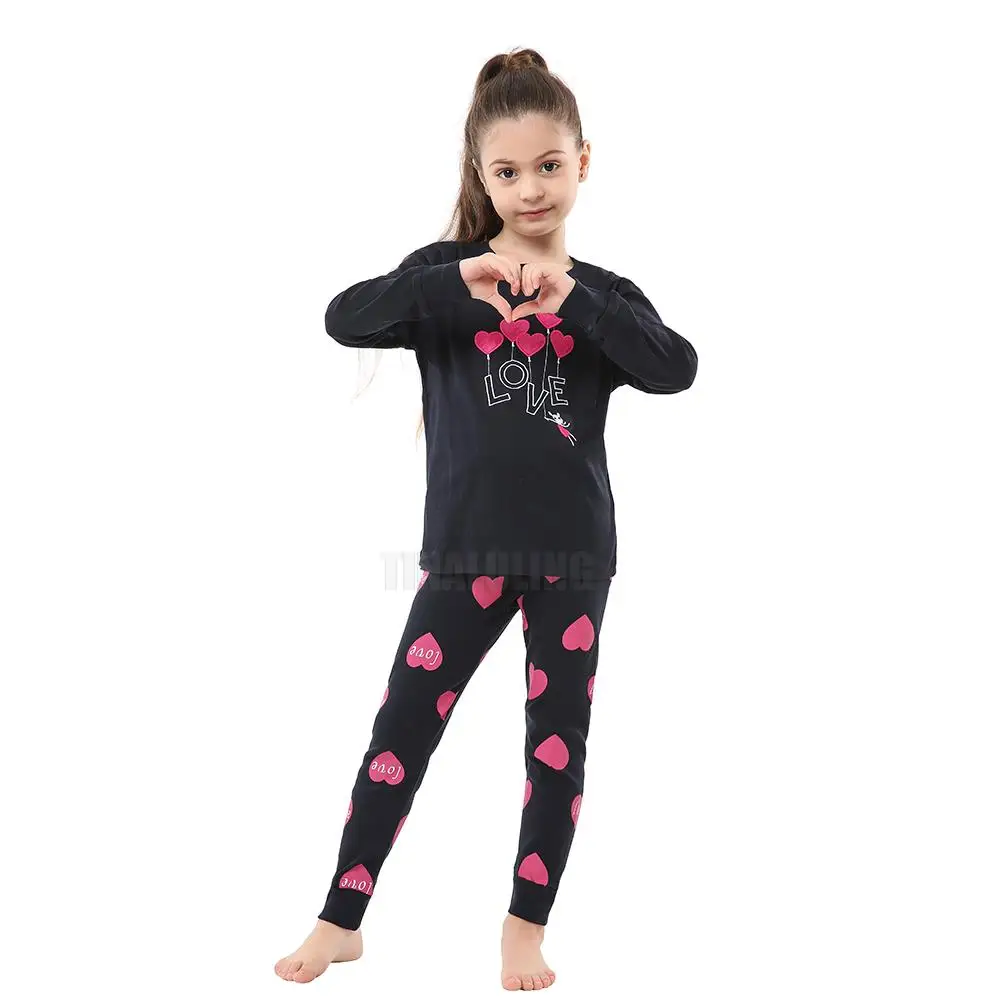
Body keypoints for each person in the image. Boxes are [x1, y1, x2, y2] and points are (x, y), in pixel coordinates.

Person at [274, 46, 698, 991]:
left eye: (549, 165)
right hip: (466, 554)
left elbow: (676, 368)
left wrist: (577, 302)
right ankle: (342, 918)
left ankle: (524, 926)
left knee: (556, 749)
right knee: (401, 734)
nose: (531, 188)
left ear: (583, 161)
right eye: (507, 172)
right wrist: (450, 282)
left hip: (574, 559)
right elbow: (344, 318)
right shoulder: (443, 278)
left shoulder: (605, 299)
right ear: (481, 174)